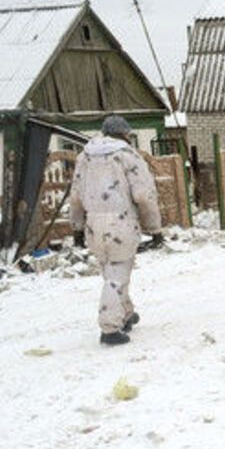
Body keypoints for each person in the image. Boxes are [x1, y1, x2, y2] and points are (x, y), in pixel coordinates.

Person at [69, 115, 162, 345]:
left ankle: (126, 314)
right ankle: (110, 328)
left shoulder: (84, 157)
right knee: (117, 274)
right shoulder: (127, 156)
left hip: (93, 224)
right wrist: (154, 228)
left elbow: (76, 196)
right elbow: (144, 195)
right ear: (124, 134)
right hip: (121, 222)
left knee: (112, 272)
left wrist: (77, 227)